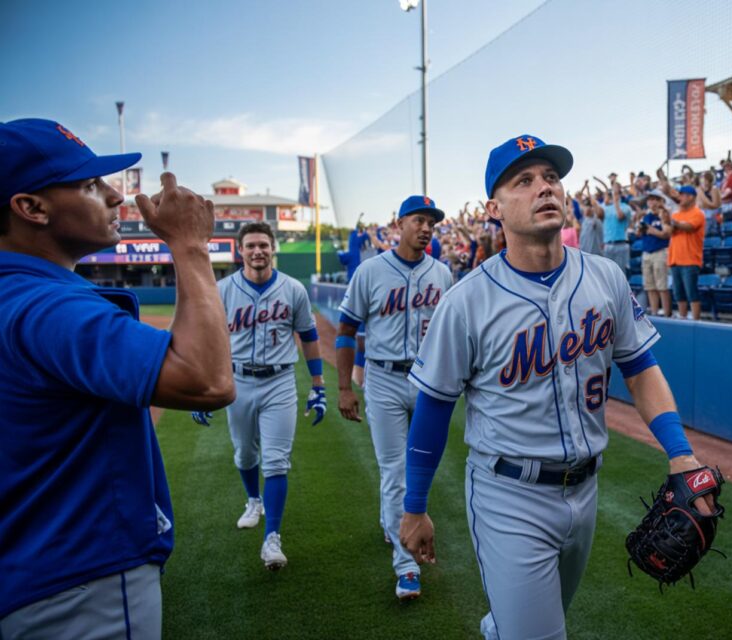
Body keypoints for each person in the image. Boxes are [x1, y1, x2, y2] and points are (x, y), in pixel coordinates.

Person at [397, 134, 716, 640]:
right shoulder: (466, 302)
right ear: (494, 209)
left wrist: (681, 452)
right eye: (524, 181)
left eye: (551, 177)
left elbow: (640, 368)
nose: (545, 187)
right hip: (508, 495)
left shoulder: (606, 277)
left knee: (542, 621)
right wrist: (414, 506)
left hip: (587, 489)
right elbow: (434, 407)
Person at [0, 119, 234, 637]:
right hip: (82, 578)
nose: (114, 197)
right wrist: (191, 246)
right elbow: (207, 381)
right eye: (88, 185)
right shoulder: (45, 304)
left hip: (26, 568)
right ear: (31, 208)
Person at [336, 195, 452, 600]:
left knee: (418, 468)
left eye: (432, 224)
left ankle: (397, 523)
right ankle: (405, 567)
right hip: (383, 378)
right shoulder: (370, 271)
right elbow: (346, 330)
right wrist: (345, 387)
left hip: (427, 380)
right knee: (393, 471)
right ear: (399, 224)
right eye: (419, 221)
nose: (426, 229)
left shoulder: (443, 274)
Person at [192, 222, 325, 571]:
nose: (257, 251)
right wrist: (200, 389)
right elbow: (207, 341)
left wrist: (319, 384)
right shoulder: (222, 290)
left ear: (273, 248)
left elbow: (309, 336)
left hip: (279, 381)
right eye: (250, 245)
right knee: (244, 452)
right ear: (240, 251)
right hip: (237, 380)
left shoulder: (293, 289)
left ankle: (272, 538)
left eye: (263, 245)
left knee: (277, 461)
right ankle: (254, 499)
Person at [664, 185, 707, 320]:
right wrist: (665, 221)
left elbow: (689, 227)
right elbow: (670, 232)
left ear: (691, 197)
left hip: (690, 259)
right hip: (675, 258)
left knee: (691, 293)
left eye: (682, 195)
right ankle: (683, 318)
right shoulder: (676, 214)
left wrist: (673, 222)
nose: (680, 197)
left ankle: (696, 321)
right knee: (678, 293)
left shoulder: (698, 213)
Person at [637, 190, 672, 316]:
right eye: (650, 199)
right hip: (647, 252)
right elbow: (639, 234)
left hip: (660, 252)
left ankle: (667, 314)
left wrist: (653, 231)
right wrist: (641, 230)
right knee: (650, 286)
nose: (651, 202)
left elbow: (667, 233)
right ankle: (654, 313)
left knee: (662, 286)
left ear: (659, 201)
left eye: (654, 199)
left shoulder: (663, 214)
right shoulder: (646, 216)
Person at [600, 178, 632, 276]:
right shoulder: (605, 207)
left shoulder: (626, 207)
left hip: (621, 245)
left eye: (616, 192)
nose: (614, 194)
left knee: (621, 275)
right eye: (612, 192)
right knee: (608, 275)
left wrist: (616, 202)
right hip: (608, 246)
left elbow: (620, 216)